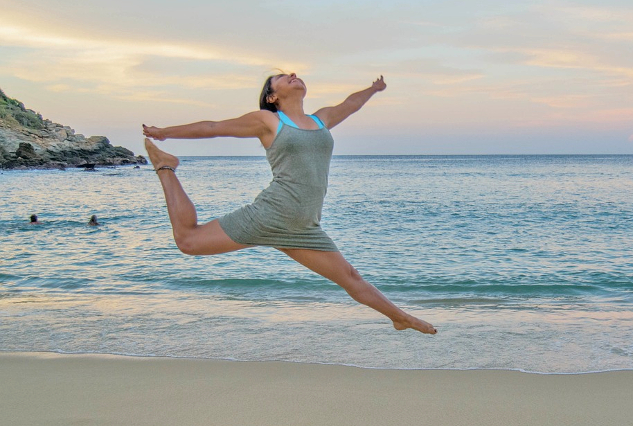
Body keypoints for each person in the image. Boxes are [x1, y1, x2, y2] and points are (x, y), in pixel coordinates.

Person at [143, 73, 436, 335]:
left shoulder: (322, 119)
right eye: (283, 77)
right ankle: (165, 166)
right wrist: (166, 132)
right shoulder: (268, 120)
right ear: (273, 97)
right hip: (272, 213)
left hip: (303, 226)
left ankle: (400, 318)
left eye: (293, 74)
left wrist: (373, 89)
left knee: (350, 277)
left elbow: (351, 103)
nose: (293, 75)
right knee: (188, 240)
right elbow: (214, 127)